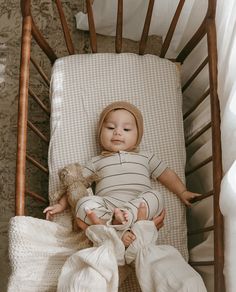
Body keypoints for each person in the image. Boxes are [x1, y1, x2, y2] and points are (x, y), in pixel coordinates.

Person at [44, 101, 200, 246]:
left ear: (138, 136)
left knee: (156, 196)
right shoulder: (96, 161)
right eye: (111, 128)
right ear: (100, 133)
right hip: (108, 207)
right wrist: (61, 204)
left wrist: (182, 191)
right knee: (83, 205)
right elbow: (75, 184)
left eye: (126, 129)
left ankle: (123, 220)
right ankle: (115, 227)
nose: (117, 132)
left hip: (139, 206)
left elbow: (166, 174)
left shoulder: (145, 157)